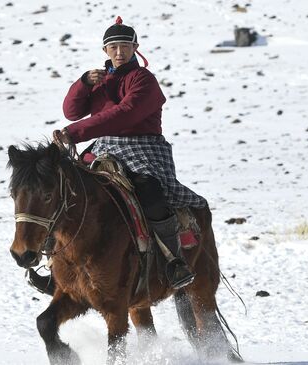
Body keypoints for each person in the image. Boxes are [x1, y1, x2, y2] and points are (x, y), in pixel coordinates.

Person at [33, 16, 207, 293]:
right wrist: (83, 84)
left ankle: (174, 262)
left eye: (124, 45)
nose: (118, 52)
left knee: (149, 189)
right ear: (105, 51)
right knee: (68, 192)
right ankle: (57, 269)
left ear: (135, 47)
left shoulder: (144, 80)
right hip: (103, 146)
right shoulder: (99, 80)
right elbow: (71, 111)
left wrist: (75, 133)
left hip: (142, 145)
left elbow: (125, 114)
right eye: (112, 47)